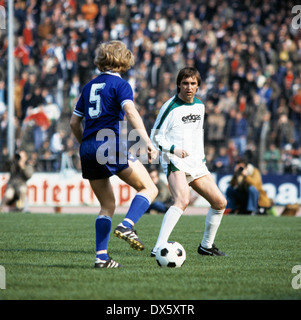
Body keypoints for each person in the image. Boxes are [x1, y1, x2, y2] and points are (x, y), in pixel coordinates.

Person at [70, 41, 158, 268]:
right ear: (123, 60)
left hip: (88, 147)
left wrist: (87, 145)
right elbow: (131, 111)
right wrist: (146, 142)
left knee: (107, 205)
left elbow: (73, 122)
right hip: (108, 143)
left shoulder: (88, 86)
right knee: (150, 188)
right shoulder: (121, 85)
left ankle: (101, 258)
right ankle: (128, 225)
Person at [150, 67, 227, 257]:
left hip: (196, 163)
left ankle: (206, 246)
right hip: (174, 159)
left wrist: (200, 158)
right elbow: (155, 136)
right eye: (185, 83)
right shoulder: (170, 107)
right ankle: (158, 247)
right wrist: (173, 149)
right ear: (178, 85)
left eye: (193, 83)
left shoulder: (200, 106)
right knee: (182, 200)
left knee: (219, 202)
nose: (189, 87)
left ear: (198, 86)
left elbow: (195, 134)